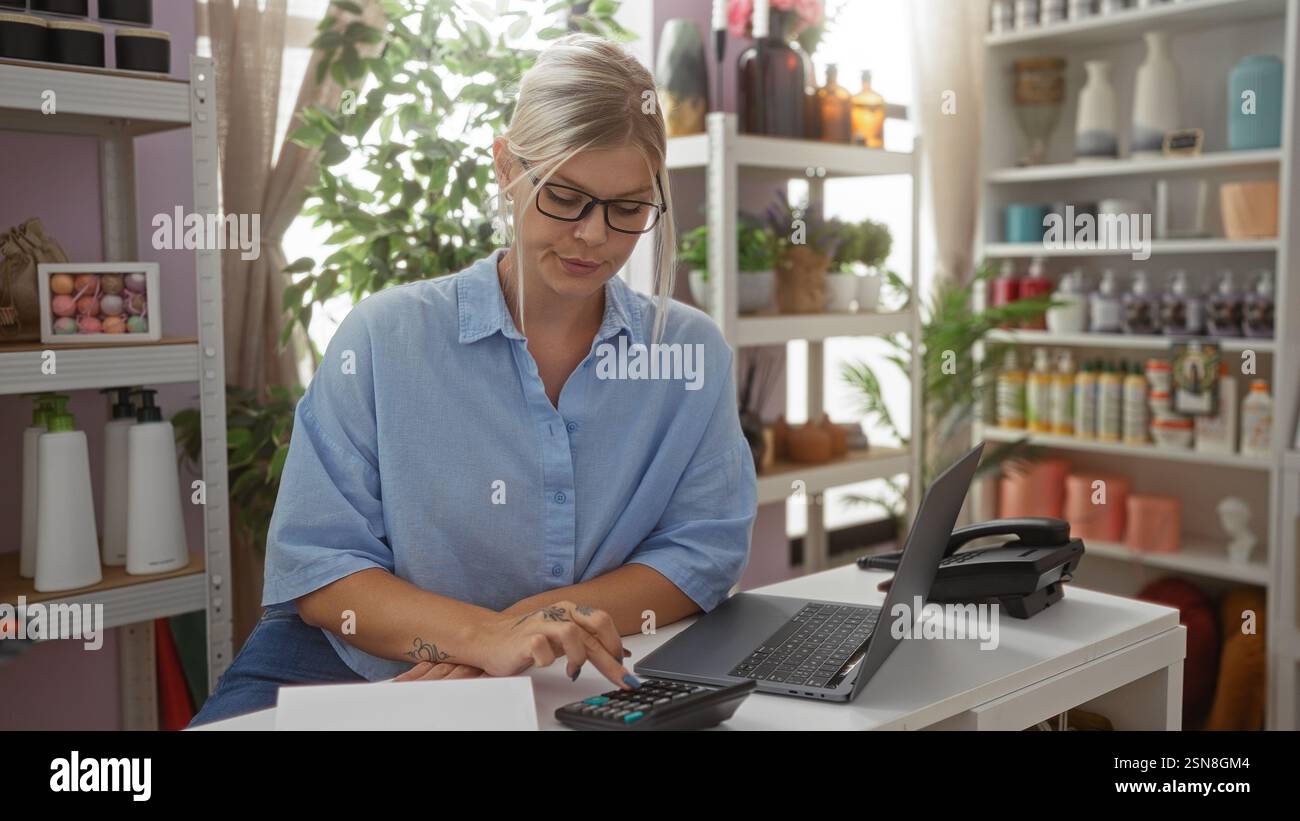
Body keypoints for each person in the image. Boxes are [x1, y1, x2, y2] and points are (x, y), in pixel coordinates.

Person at [189, 33, 758, 727]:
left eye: (628, 208)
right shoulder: (383, 338)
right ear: (504, 167)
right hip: (340, 665)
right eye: (565, 196)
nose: (593, 236)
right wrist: (485, 639)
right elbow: (320, 566)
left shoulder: (688, 354)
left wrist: (520, 629)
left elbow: (703, 549)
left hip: (556, 675)